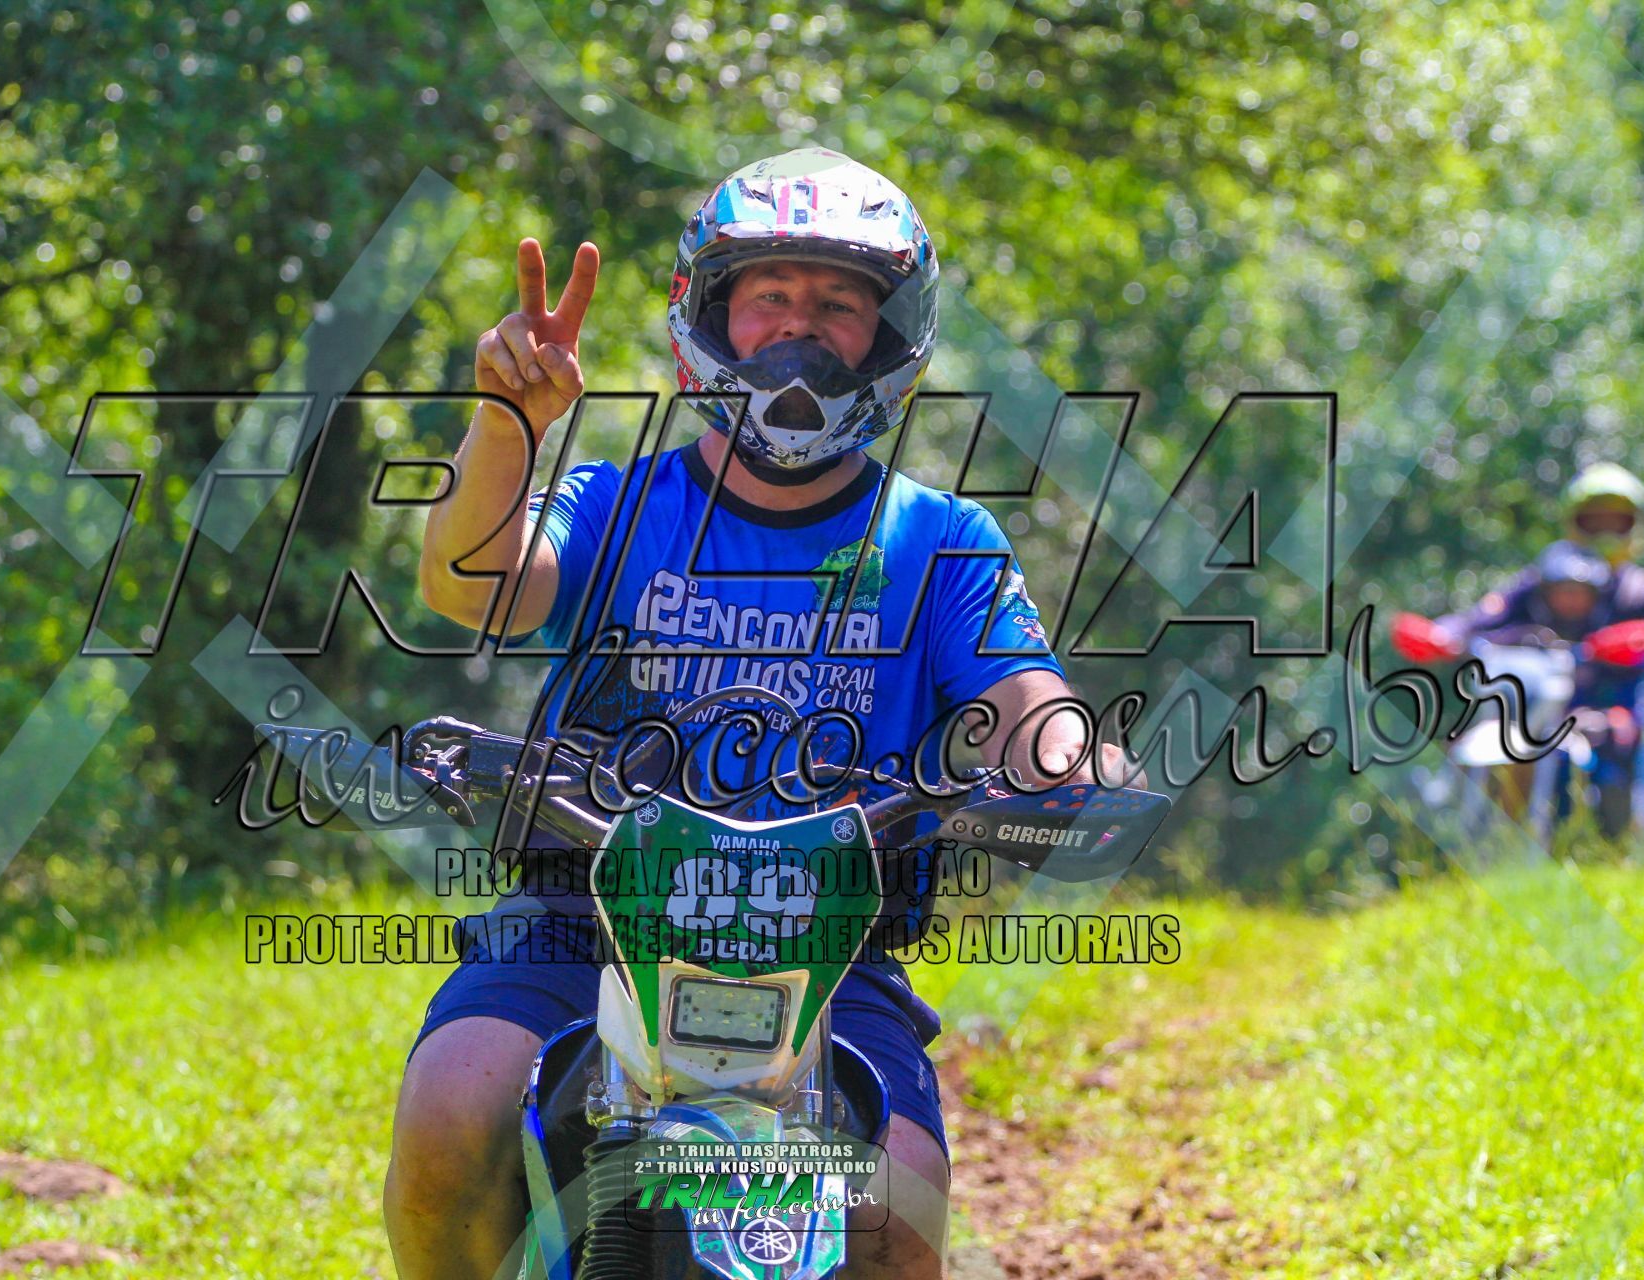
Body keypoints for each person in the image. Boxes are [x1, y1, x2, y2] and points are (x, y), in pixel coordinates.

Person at [388, 149, 1108, 1280]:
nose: (799, 327)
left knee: (900, 1204)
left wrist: (1070, 761)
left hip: (830, 946)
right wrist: (507, 424)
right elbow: (469, 584)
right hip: (584, 916)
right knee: (453, 1104)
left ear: (892, 335)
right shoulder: (615, 503)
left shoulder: (941, 539)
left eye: (840, 304)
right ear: (712, 314)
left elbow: (1031, 697)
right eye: (770, 293)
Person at [1391, 465, 1644, 836]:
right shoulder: (1540, 580)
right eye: (1594, 522)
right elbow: (1482, 616)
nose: (1604, 533)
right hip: (1533, 702)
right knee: (1466, 728)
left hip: (1605, 704)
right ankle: (1453, 820)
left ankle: (1614, 836)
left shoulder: (1643, 589)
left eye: (1615, 523)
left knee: (1614, 736)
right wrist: (1441, 635)